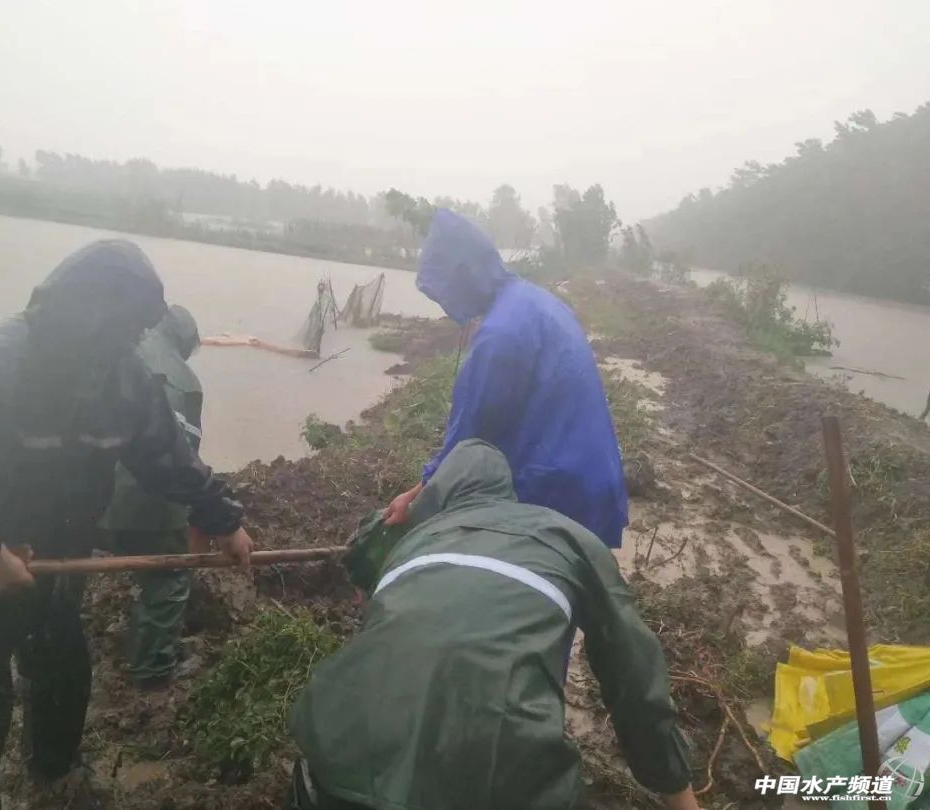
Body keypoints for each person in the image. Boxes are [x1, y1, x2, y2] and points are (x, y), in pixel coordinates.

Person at [0, 240, 254, 810]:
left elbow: (165, 454)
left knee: (62, 672)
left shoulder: (124, 377)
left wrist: (220, 516)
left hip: (52, 558)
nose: (127, 343)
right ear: (82, 316)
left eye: (136, 332)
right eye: (119, 329)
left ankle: (56, 778)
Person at [289, 440, 697, 810]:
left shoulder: (415, 542)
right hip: (504, 780)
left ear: (440, 496)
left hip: (340, 755)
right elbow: (633, 674)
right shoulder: (571, 537)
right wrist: (675, 786)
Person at [384, 209, 628, 549]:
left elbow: (469, 442)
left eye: (445, 291)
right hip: (595, 475)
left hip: (554, 492)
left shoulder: (501, 334)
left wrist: (415, 497)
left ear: (465, 276)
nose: (445, 304)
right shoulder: (537, 301)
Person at [98, 303, 204, 689]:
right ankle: (153, 672)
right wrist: (203, 518)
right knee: (169, 575)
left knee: (66, 572)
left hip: (86, 501)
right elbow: (182, 462)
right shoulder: (186, 383)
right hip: (143, 502)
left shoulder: (113, 350)